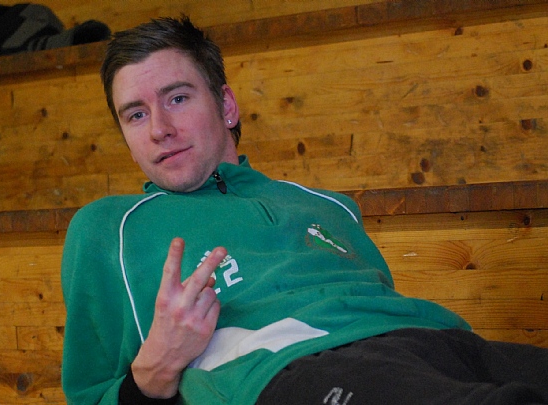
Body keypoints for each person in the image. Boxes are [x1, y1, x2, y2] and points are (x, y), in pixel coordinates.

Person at [60, 16, 548, 405]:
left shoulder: (330, 206)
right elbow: (93, 393)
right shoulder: (109, 228)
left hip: (438, 339)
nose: (158, 129)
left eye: (178, 98)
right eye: (136, 114)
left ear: (226, 106)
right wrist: (152, 373)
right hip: (286, 365)